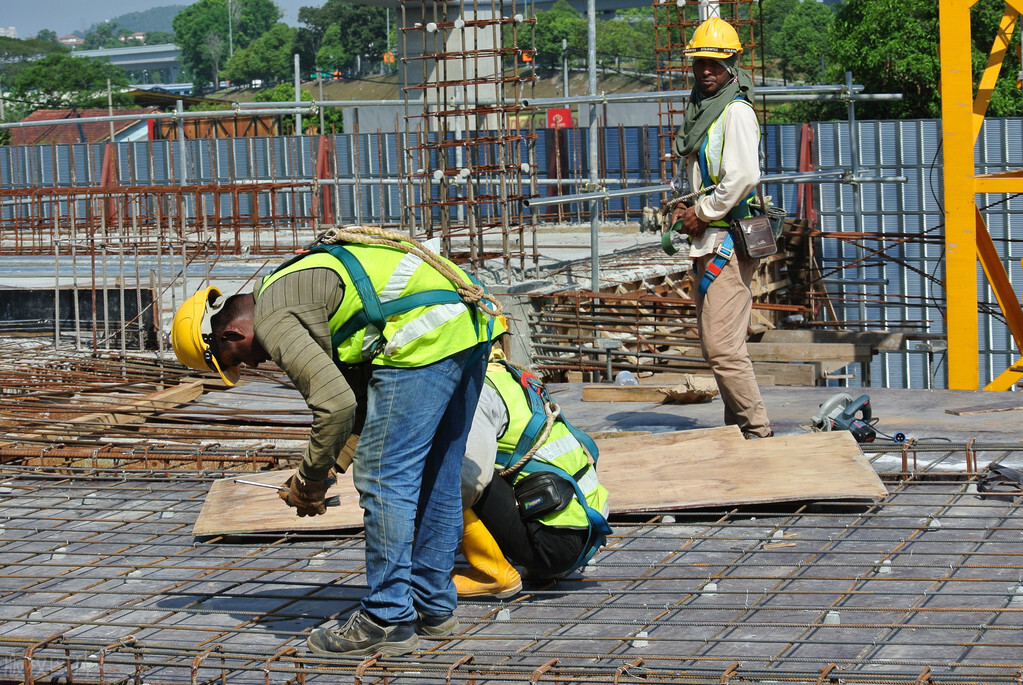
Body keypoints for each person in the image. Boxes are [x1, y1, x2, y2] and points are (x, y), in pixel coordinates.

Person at [170, 226, 495, 657]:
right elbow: (359, 401)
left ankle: (387, 617)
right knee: (439, 474)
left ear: (231, 336)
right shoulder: (296, 287)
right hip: (469, 326)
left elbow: (335, 405)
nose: (255, 363)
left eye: (239, 361)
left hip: (422, 336)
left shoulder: (273, 316)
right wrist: (325, 471)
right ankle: (433, 608)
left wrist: (309, 478)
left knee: (384, 479)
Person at [668, 17, 772, 439]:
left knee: (723, 348)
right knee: (721, 344)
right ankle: (739, 430)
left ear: (732, 62)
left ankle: (756, 431)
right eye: (700, 63)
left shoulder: (735, 111)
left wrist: (704, 211)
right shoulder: (702, 110)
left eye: (714, 62)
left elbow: (743, 175)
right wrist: (687, 206)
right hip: (709, 239)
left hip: (725, 238)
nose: (706, 70)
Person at [454, 318, 611, 597]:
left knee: (446, 471)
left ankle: (493, 574)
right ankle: (539, 560)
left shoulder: (480, 391)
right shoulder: (516, 376)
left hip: (554, 545)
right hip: (585, 529)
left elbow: (468, 482)